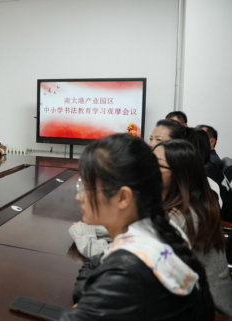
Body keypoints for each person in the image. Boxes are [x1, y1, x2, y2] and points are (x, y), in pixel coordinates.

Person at [60, 134, 213, 321]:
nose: (79, 196)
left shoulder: (128, 271)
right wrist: (90, 295)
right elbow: (95, 263)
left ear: (123, 197)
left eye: (88, 187)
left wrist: (85, 300)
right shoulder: (158, 229)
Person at [154, 139, 232, 317]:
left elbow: (141, 261)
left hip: (209, 312)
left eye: (156, 164)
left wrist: (85, 237)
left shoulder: (183, 218)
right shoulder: (174, 203)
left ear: (179, 174)